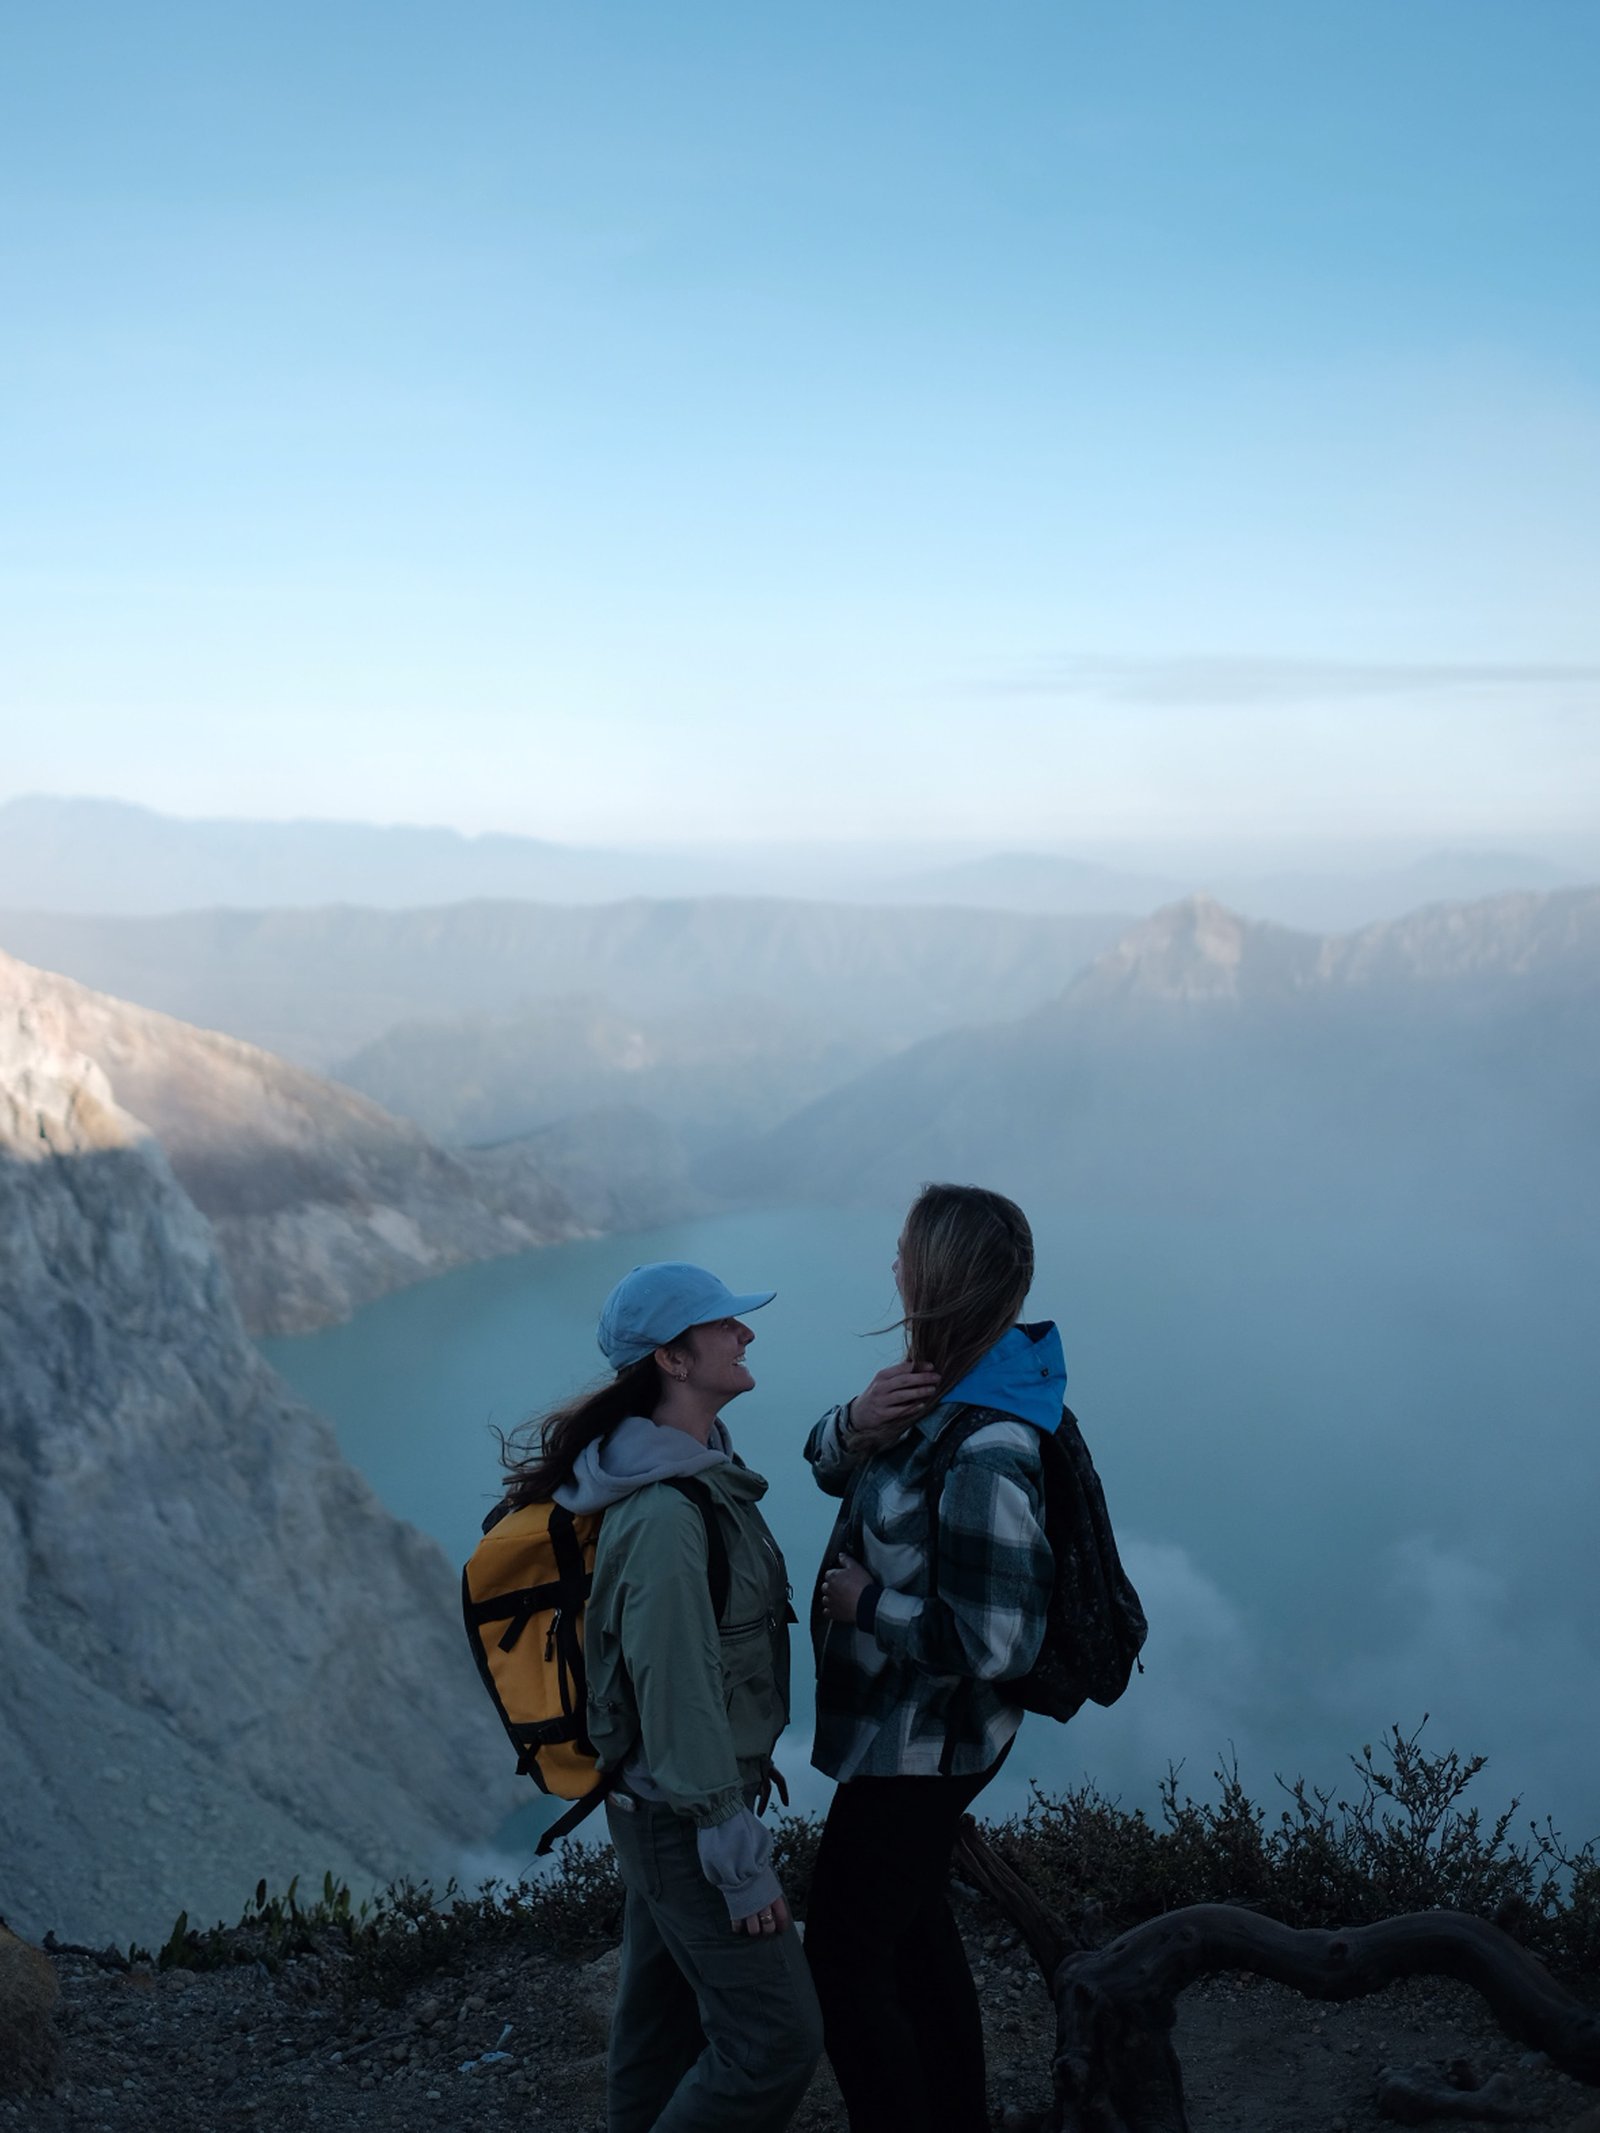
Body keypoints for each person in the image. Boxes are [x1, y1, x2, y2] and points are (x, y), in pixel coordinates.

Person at [499, 1261, 822, 2133]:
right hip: (686, 1820)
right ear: (672, 1360)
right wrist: (738, 1854)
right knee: (775, 2038)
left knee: (660, 2023)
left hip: (654, 1808)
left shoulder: (689, 1473)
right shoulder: (668, 1516)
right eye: (722, 1323)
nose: (743, 1332)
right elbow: (678, 1693)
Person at [803, 1183, 1060, 2133]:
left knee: (840, 1955)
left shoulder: (988, 1445)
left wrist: (867, 1602)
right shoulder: (934, 1387)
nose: (894, 1267)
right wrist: (857, 1422)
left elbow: (998, 1642)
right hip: (901, 1728)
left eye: (905, 1253)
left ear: (937, 1276)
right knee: (909, 1930)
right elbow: (828, 1462)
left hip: (928, 1741)